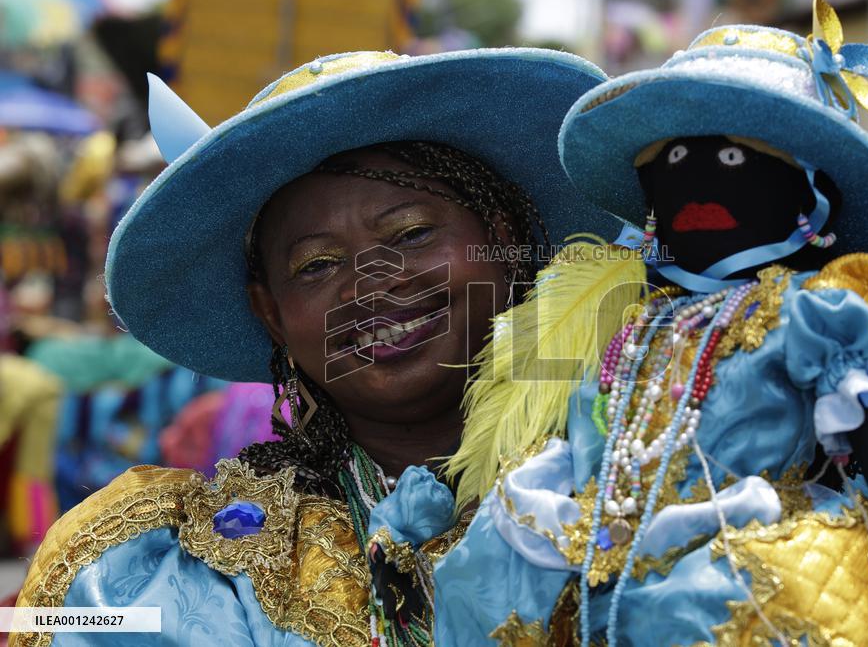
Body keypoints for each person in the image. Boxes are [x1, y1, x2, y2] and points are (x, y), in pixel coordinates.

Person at [431, 0, 868, 645]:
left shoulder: (820, 316)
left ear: (805, 196)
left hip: (755, 586)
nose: (695, 184)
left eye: (732, 160)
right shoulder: (626, 317)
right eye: (672, 162)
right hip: (589, 570)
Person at [12, 49, 622, 647]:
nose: (370, 283)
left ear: (504, 239)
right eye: (316, 265)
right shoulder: (155, 580)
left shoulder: (656, 485)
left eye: (411, 233)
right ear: (271, 314)